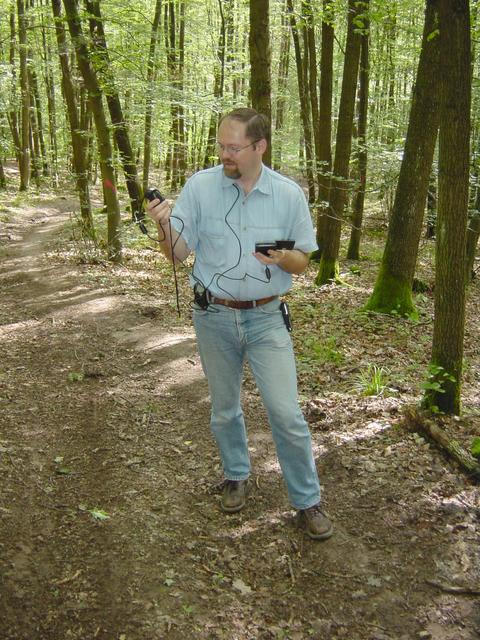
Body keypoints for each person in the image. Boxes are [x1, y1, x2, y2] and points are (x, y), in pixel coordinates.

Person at [146, 107, 333, 540]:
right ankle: (236, 475)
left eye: (234, 147)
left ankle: (307, 500)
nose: (224, 154)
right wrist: (163, 226)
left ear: (259, 146)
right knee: (224, 408)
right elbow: (177, 255)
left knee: (286, 413)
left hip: (268, 318)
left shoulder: (288, 194)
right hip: (212, 315)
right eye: (221, 145)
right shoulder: (200, 187)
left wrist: (283, 257)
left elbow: (304, 260)